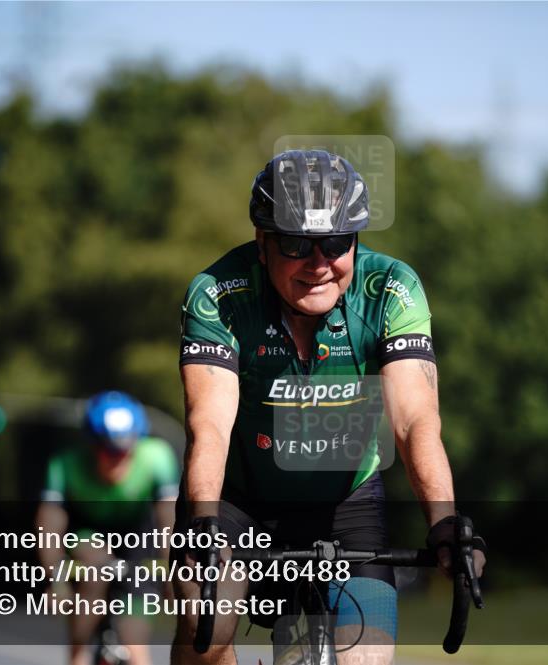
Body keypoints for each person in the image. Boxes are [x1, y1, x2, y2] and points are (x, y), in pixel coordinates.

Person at [171, 150, 486, 665]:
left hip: (346, 504)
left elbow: (414, 422)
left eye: (336, 243)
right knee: (206, 625)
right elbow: (209, 426)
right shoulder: (220, 295)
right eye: (296, 243)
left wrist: (444, 522)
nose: (318, 264)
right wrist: (203, 521)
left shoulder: (390, 290)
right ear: (262, 242)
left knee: (367, 660)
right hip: (236, 499)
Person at [36, 390, 180, 665]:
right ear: (92, 445)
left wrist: (174, 572)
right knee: (93, 570)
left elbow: (168, 521)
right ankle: (78, 652)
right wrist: (55, 580)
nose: (117, 458)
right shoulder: (65, 465)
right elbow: (50, 526)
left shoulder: (157, 457)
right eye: (108, 449)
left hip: (139, 537)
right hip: (88, 533)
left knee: (135, 640)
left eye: (125, 450)